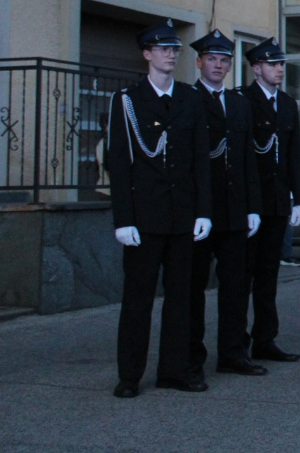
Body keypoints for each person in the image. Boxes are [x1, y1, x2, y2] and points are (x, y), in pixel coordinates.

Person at [105, 20, 212, 398]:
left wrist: (203, 211)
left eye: (174, 49)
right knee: (138, 299)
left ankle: (175, 370)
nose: (170, 54)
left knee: (181, 299)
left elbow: (201, 158)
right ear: (147, 54)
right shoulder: (128, 101)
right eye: (162, 49)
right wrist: (124, 219)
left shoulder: (190, 98)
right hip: (145, 216)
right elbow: (118, 163)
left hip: (183, 216)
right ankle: (130, 375)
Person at [187, 30, 265, 381]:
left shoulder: (239, 104)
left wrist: (253, 205)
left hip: (235, 209)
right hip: (199, 210)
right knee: (193, 289)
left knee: (236, 287)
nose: (219, 65)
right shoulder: (187, 99)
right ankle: (191, 358)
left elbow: (247, 158)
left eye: (225, 60)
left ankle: (234, 353)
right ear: (199, 62)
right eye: (212, 59)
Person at [239, 36, 300, 364]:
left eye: (281, 64)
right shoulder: (243, 101)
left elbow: (293, 156)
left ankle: (265, 339)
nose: (279, 70)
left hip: (277, 202)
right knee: (242, 275)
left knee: (268, 277)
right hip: (252, 203)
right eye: (272, 64)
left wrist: (299, 199)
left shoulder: (287, 104)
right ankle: (237, 343)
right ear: (255, 68)